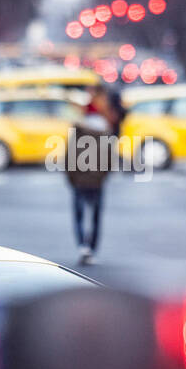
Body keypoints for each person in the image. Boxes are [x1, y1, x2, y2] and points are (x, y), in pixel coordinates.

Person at [65, 108, 111, 265]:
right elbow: (109, 162)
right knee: (95, 217)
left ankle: (82, 246)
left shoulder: (77, 135)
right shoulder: (104, 136)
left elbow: (69, 160)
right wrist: (102, 177)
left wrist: (72, 180)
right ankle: (91, 248)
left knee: (79, 215)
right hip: (97, 183)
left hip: (79, 182)